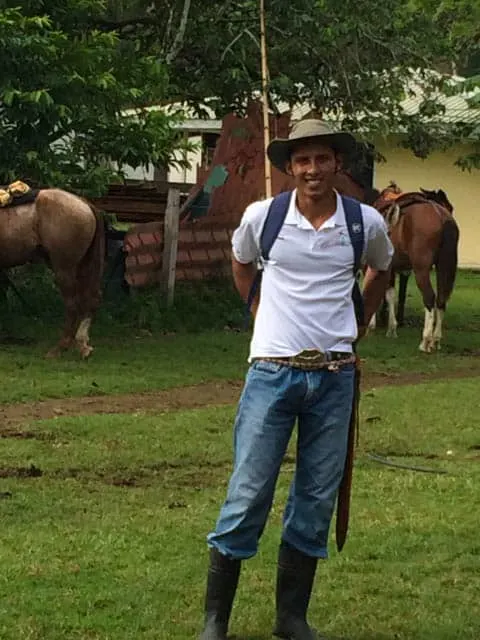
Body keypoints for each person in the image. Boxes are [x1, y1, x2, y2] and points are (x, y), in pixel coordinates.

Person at [198, 118, 394, 640]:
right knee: (247, 494)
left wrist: (359, 326)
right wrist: (259, 309)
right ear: (289, 167)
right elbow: (242, 263)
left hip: (334, 378)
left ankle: (291, 619)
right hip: (272, 374)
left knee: (314, 500)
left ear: (338, 164)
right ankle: (215, 621)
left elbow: (381, 269)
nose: (312, 169)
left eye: (322, 159)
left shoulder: (364, 223)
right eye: (302, 160)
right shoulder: (263, 217)